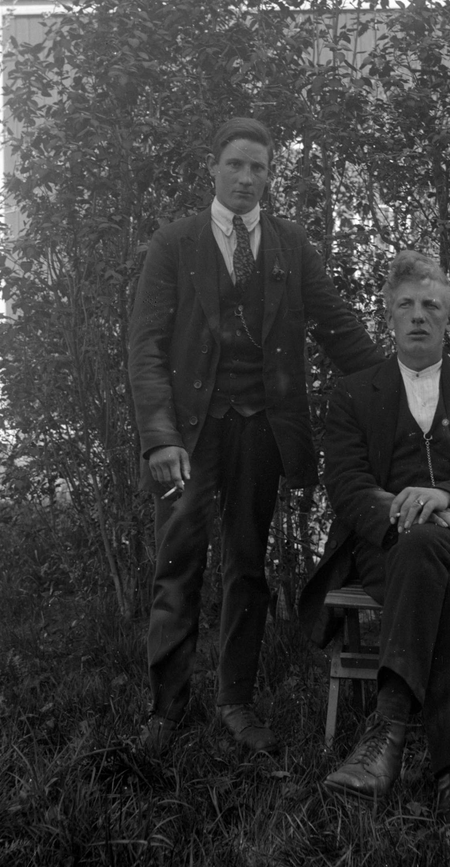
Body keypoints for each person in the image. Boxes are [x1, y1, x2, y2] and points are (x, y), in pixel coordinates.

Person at [129, 117, 383, 754]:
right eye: (236, 165)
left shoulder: (291, 245)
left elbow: (337, 327)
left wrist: (399, 384)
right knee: (178, 563)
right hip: (189, 436)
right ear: (213, 168)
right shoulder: (174, 244)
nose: (246, 178)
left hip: (260, 429)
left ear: (271, 176)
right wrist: (160, 436)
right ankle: (166, 710)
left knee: (247, 567)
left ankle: (235, 702)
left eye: (259, 168)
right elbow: (146, 348)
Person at [298, 250, 450, 833]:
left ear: (449, 315)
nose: (418, 315)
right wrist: (411, 514)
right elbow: (346, 483)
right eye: (406, 305)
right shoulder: (354, 392)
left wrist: (446, 496)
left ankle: (386, 730)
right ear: (389, 316)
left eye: (431, 305)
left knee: (431, 553)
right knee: (437, 577)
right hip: (385, 545)